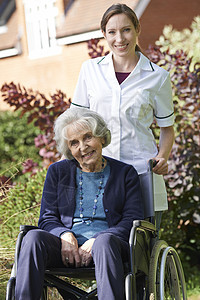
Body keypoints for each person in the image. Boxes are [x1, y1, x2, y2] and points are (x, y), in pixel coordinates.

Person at [15, 108, 143, 300]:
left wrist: (98, 239)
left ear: (101, 137)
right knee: (32, 239)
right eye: (74, 143)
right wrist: (65, 235)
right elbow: (47, 218)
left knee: (104, 243)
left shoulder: (125, 173)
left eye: (88, 137)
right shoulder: (57, 172)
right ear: (68, 149)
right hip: (65, 249)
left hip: (110, 248)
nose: (83, 147)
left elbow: (131, 220)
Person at [70, 3, 175, 229]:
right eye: (112, 32)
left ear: (137, 29)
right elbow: (74, 123)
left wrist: (163, 156)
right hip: (96, 173)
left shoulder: (158, 77)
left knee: (139, 249)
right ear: (104, 35)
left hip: (141, 174)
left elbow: (167, 127)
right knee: (97, 240)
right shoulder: (90, 70)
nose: (120, 38)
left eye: (126, 30)